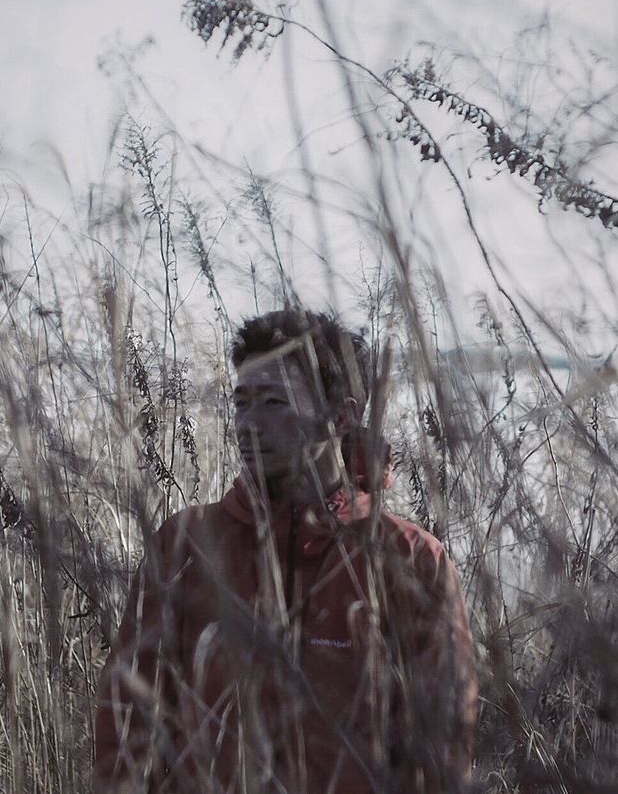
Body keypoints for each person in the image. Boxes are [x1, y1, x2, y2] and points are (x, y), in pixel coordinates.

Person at [94, 309, 477, 793]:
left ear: (340, 417)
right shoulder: (187, 545)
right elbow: (126, 718)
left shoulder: (409, 559)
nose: (249, 424)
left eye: (275, 402)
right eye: (242, 402)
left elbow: (442, 744)